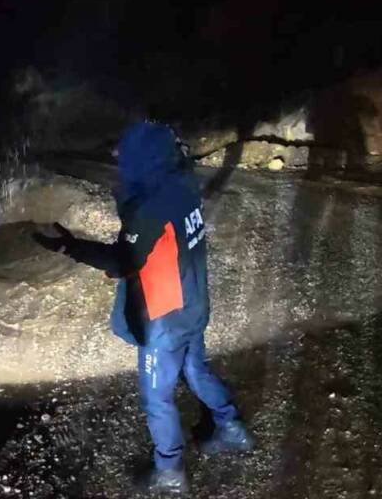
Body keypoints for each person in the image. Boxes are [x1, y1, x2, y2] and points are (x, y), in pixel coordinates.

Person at [34, 122, 253, 494]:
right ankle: (231, 427)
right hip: (194, 302)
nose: (122, 165)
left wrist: (69, 247)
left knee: (158, 397)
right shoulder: (181, 184)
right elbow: (160, 245)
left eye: (127, 158)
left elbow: (123, 261)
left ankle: (169, 471)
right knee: (195, 368)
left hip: (164, 318)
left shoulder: (148, 207)